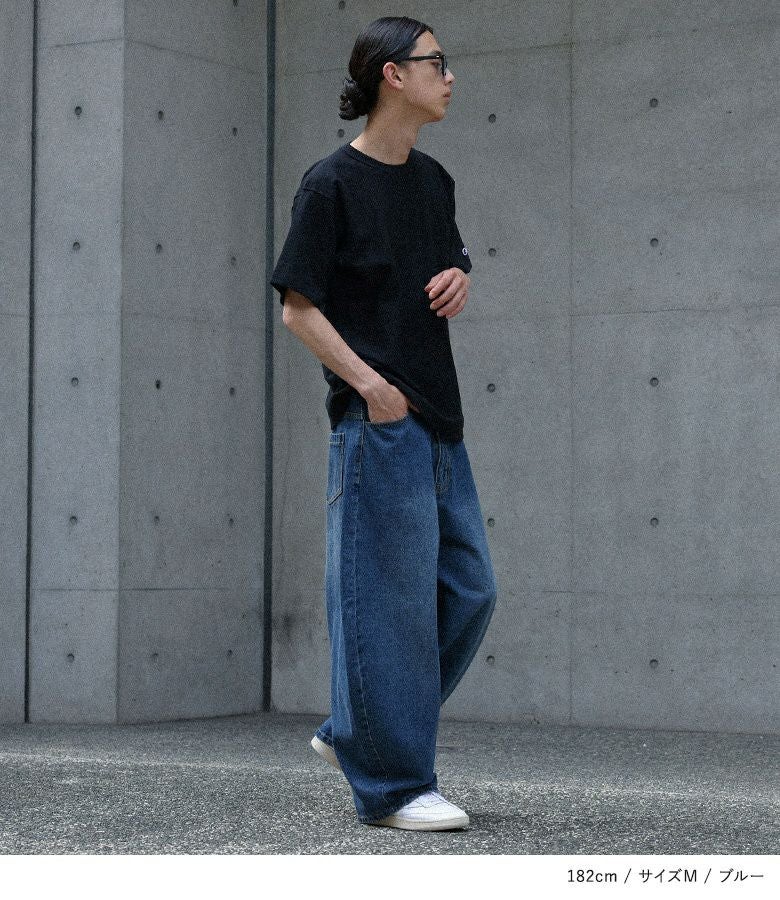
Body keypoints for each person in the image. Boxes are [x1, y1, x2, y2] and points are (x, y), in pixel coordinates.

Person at [270, 16, 497, 831]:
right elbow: (298, 307)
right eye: (438, 62)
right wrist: (369, 386)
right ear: (392, 75)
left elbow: (448, 260)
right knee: (387, 608)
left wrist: (459, 277)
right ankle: (394, 787)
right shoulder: (330, 184)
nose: (450, 76)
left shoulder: (434, 181)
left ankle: (356, 730)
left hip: (439, 419)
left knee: (470, 590)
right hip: (380, 422)